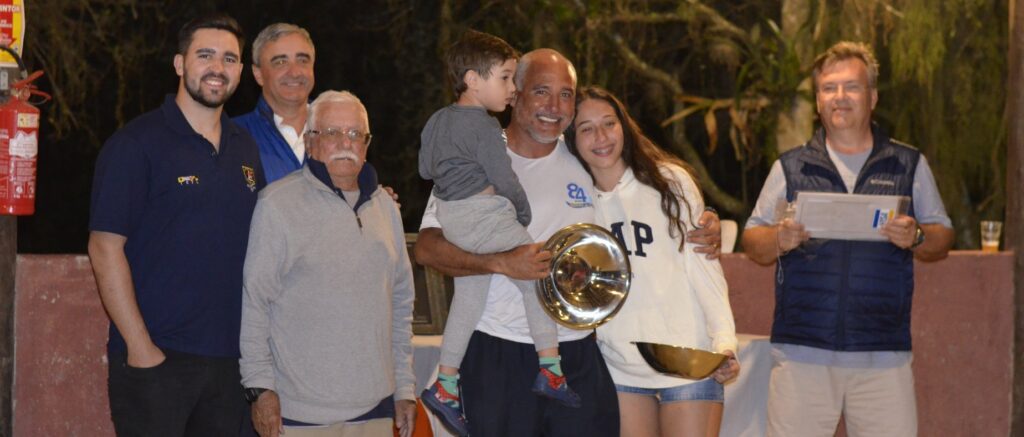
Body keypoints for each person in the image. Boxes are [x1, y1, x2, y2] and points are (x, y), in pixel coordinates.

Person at [414, 49, 723, 436]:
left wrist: (704, 217)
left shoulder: (584, 156)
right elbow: (427, 247)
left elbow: (645, 194)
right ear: (515, 93)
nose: (554, 106)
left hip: (578, 351)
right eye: (541, 91)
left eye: (566, 95)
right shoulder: (474, 154)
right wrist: (500, 263)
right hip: (499, 349)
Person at [741, 41, 955, 437]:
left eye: (851, 87)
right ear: (818, 101)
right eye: (828, 88)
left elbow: (942, 235)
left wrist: (916, 235)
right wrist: (779, 239)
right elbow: (752, 240)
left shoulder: (907, 164)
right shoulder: (790, 167)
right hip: (802, 353)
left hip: (883, 355)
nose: (839, 97)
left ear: (872, 97)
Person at [88, 13, 262, 436]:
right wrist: (141, 348)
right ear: (180, 63)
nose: (217, 67)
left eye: (229, 59)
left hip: (231, 365)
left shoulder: (245, 148)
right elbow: (104, 247)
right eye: (205, 55)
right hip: (157, 361)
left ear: (240, 71)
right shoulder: (136, 144)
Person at [417, 31, 579, 436]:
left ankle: (446, 382)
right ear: (473, 80)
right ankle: (551, 368)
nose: (511, 89)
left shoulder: (437, 120)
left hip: (453, 215)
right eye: (506, 79)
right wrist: (520, 212)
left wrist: (455, 180)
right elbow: (503, 178)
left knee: (468, 298)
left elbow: (425, 168)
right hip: (485, 213)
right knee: (535, 274)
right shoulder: (487, 127)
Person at [565, 86, 740, 437]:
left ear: (624, 126)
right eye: (586, 128)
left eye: (609, 123)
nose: (601, 137)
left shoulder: (669, 181)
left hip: (687, 360)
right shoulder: (573, 205)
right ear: (572, 140)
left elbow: (704, 267)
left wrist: (725, 343)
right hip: (619, 368)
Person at [239, 90, 416, 437]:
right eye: (332, 133)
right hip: (301, 415)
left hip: (377, 408)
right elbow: (255, 303)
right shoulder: (276, 205)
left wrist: (405, 388)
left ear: (367, 144)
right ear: (310, 142)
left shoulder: (386, 209)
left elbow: (401, 302)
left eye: (355, 134)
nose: (345, 143)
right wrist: (260, 389)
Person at [233, 23, 314, 183]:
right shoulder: (233, 136)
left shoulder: (339, 131)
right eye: (280, 62)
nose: (295, 72)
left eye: (303, 60)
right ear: (258, 74)